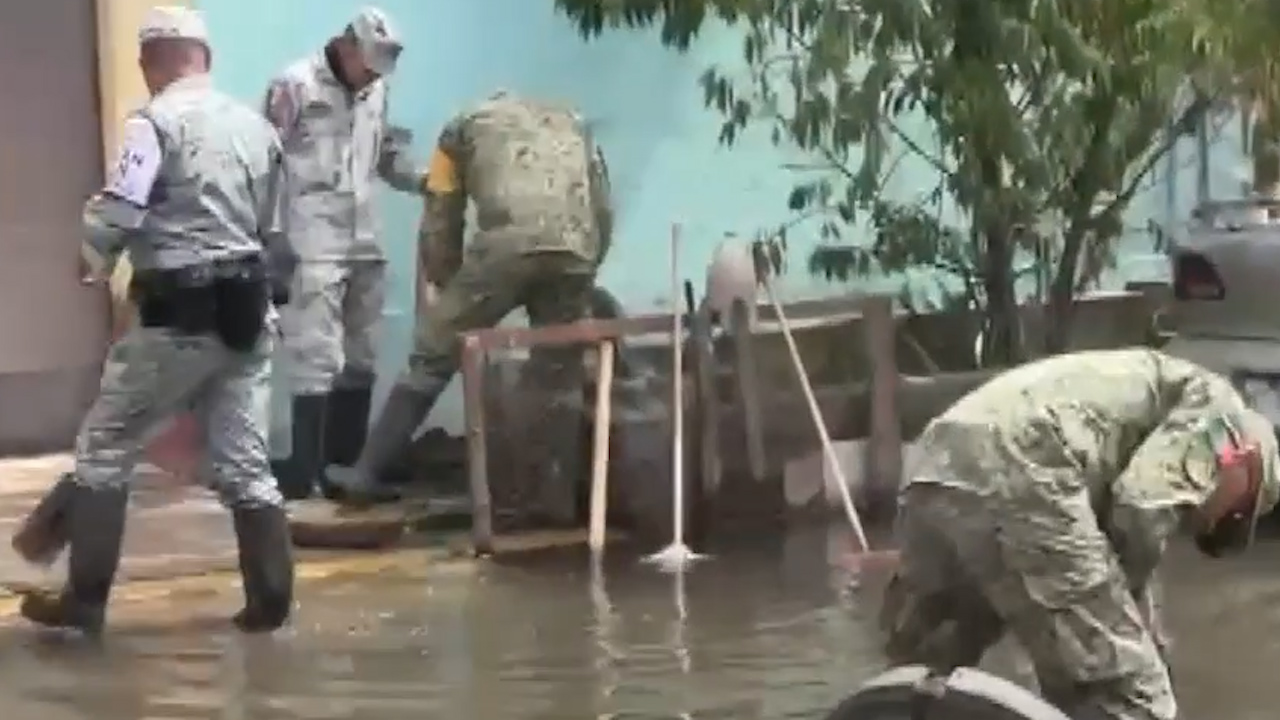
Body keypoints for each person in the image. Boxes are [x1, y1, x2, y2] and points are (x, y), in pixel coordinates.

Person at [17, 6, 296, 636]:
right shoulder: (256, 128)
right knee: (245, 461)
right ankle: (271, 600)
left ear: (151, 62)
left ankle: (84, 601)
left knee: (105, 447)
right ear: (205, 58)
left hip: (178, 319)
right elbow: (273, 224)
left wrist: (91, 259)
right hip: (249, 315)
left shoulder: (155, 124)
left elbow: (122, 205)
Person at [879, 348, 1280, 720]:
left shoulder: (1162, 389)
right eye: (1233, 517)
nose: (1207, 525)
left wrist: (1132, 620)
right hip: (1024, 464)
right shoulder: (1223, 421)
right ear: (1245, 463)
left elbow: (1116, 532)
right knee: (1132, 696)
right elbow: (1140, 506)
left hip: (938, 459)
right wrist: (1130, 618)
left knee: (922, 669)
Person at [328, 91, 614, 509]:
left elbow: (442, 212)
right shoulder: (572, 123)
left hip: (505, 248)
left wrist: (447, 283)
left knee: (432, 354)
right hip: (575, 249)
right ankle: (548, 493)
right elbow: (602, 205)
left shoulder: (457, 131)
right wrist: (586, 264)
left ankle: (365, 474)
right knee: (556, 368)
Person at [263, 7, 425, 501]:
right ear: (347, 46)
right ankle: (306, 472)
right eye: (369, 64)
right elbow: (262, 162)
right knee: (316, 356)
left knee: (362, 356)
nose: (374, 75)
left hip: (364, 242)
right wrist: (269, 239)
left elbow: (384, 156)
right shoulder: (294, 86)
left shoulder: (376, 91)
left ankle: (349, 470)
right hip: (312, 243)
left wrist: (424, 180)